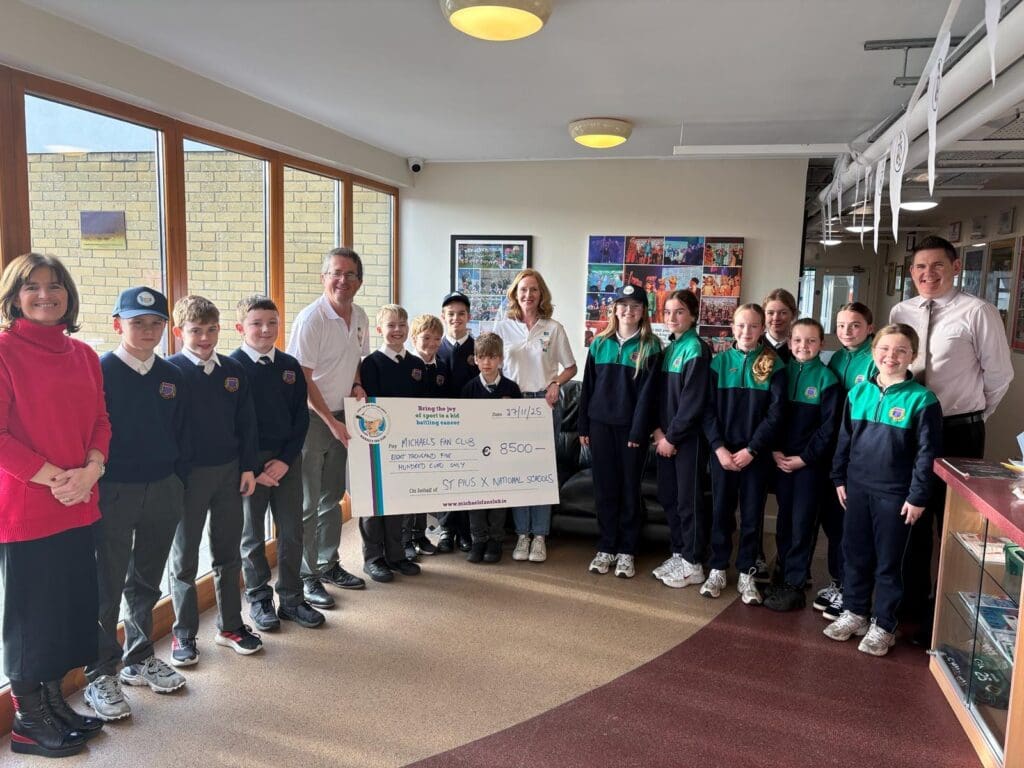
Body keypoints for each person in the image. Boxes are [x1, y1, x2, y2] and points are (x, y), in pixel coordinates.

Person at [0, 253, 109, 757]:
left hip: (79, 500)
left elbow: (101, 422)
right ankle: (28, 721)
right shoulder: (4, 351)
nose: (46, 295)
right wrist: (59, 479)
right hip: (28, 508)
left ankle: (52, 705)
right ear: (14, 297)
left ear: (68, 293)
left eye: (55, 285)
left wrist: (91, 470)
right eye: (33, 287)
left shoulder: (83, 354)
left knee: (65, 611)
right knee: (31, 620)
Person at [890, 235, 1014, 642]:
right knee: (911, 515)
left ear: (956, 267)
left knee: (952, 523)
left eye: (937, 265)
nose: (928, 274)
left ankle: (942, 614)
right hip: (910, 426)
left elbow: (999, 377)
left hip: (957, 430)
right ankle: (908, 605)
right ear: (912, 272)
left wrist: (971, 415)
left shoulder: (977, 312)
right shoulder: (902, 311)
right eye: (920, 267)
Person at [84, 287, 188, 723]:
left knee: (145, 580)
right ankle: (99, 673)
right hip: (113, 491)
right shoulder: (99, 371)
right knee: (106, 584)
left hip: (162, 488)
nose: (147, 330)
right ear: (117, 325)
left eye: (155, 323)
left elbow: (180, 431)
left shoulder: (172, 375)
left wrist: (176, 481)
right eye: (136, 322)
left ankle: (139, 657)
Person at [826, 323, 942, 657]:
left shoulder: (922, 400)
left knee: (890, 562)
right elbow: (844, 440)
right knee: (855, 554)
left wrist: (918, 496)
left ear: (912, 356)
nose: (891, 356)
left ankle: (885, 624)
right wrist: (839, 478)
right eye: (884, 349)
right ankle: (855, 612)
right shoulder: (858, 393)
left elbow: (927, 455)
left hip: (896, 495)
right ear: (873, 352)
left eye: (900, 350)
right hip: (857, 488)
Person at [166, 295, 261, 666]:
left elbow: (247, 423)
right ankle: (184, 633)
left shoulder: (233, 371)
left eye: (211, 329)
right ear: (179, 332)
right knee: (185, 558)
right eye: (195, 331)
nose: (204, 338)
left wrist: (248, 467)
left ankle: (230, 626)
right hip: (187, 479)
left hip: (229, 474)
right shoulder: (169, 372)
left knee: (227, 552)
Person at [230, 296, 323, 632]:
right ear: (241, 328)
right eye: (256, 323)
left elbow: (301, 417)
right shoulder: (231, 368)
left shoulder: (289, 366)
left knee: (292, 531)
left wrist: (284, 460)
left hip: (287, 461)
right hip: (248, 466)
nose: (266, 329)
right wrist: (254, 470)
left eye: (272, 323)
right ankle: (259, 598)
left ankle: (292, 598)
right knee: (252, 535)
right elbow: (229, 424)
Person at [287, 247, 369, 610]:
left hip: (342, 416)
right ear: (324, 278)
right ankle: (306, 576)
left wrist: (356, 385)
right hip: (312, 419)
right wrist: (331, 421)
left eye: (350, 274)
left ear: (359, 281)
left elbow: (355, 360)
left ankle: (328, 562)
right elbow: (301, 379)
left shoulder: (360, 316)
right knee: (308, 502)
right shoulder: (312, 319)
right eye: (335, 273)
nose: (342, 280)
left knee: (332, 497)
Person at [701, 304, 785, 604]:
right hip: (722, 454)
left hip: (755, 455)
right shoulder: (719, 362)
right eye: (740, 325)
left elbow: (776, 414)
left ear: (762, 328)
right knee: (721, 512)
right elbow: (707, 410)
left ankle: (747, 571)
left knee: (752, 515)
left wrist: (752, 449)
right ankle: (718, 567)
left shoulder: (773, 363)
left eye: (753, 326)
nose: (746, 331)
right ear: (732, 328)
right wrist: (718, 447)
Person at [494, 269, 577, 563]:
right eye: (523, 289)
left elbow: (571, 367)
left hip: (544, 404)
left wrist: (555, 383)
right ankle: (522, 534)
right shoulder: (502, 327)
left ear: (542, 294)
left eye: (534, 289)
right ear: (515, 294)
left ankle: (539, 535)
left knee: (542, 470)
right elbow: (491, 365)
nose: (528, 295)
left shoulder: (553, 328)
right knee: (518, 470)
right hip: (512, 404)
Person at [578, 285, 661, 579]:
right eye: (623, 305)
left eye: (635, 305)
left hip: (631, 431)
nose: (629, 311)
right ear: (614, 309)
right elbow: (587, 388)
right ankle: (607, 546)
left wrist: (639, 431)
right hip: (599, 426)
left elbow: (649, 397)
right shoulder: (599, 343)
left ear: (643, 311)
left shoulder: (652, 346)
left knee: (629, 489)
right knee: (605, 489)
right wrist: (583, 425)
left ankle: (627, 550)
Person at [765, 319, 841, 612]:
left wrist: (805, 458)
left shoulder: (827, 379)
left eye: (811, 341)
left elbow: (828, 428)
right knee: (784, 520)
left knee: (802, 523)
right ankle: (783, 573)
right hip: (781, 460)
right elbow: (771, 416)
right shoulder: (780, 373)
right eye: (797, 340)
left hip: (810, 465)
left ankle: (796, 583)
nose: (803, 346)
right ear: (789, 342)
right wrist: (774, 450)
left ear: (821, 344)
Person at [813, 302, 876, 619]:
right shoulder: (836, 358)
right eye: (841, 325)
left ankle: (854, 591)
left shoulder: (875, 360)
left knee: (853, 527)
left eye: (855, 325)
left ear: (869, 328)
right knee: (834, 523)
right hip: (833, 452)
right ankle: (839, 582)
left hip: (859, 454)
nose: (847, 331)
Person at [358, 304, 426, 582]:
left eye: (402, 325)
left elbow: (422, 405)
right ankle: (373, 558)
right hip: (376, 442)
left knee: (398, 500)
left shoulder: (417, 365)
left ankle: (396, 556)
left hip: (406, 444)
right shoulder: (370, 364)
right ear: (379, 330)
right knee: (374, 503)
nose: (397, 330)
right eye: (391, 325)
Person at [650, 290, 712, 589]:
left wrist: (672, 438)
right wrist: (658, 432)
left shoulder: (697, 349)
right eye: (668, 312)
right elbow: (659, 398)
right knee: (669, 497)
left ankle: (693, 563)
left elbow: (692, 402)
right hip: (664, 439)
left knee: (689, 501)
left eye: (680, 311)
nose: (672, 317)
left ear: (693, 315)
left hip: (687, 441)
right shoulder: (670, 348)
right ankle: (679, 552)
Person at [461, 332, 522, 563]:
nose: (487, 362)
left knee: (498, 497)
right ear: (475, 359)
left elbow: (520, 423)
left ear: (500, 359)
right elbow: (462, 424)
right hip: (475, 454)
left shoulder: (511, 389)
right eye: (482, 357)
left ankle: (495, 540)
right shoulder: (469, 389)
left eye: (492, 357)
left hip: (502, 454)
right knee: (476, 499)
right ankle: (478, 539)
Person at [402, 313, 450, 559]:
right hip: (408, 438)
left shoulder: (442, 367)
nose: (432, 343)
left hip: (433, 437)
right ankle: (405, 539)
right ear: (414, 338)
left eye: (437, 339)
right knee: (408, 489)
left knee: (424, 488)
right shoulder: (406, 365)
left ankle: (419, 534)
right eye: (426, 338)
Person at [433, 291, 477, 554]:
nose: (456, 318)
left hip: (471, 424)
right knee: (445, 476)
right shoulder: (434, 348)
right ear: (443, 316)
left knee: (468, 476)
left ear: (468, 316)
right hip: (441, 424)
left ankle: (465, 530)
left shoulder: (479, 348)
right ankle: (447, 528)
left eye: (461, 314)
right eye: (451, 314)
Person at [762, 288, 796, 363]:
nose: (776, 318)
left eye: (783, 313)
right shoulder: (755, 344)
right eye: (770, 313)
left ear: (793, 315)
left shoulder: (799, 346)